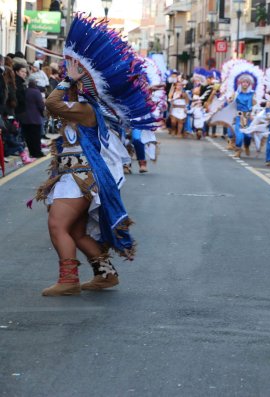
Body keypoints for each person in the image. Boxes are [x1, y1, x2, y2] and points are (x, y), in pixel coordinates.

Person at [35, 15, 156, 296]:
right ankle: (106, 274)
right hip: (76, 176)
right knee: (76, 233)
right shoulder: (82, 107)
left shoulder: (85, 109)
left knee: (57, 225)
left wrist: (67, 78)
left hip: (79, 178)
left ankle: (68, 280)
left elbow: (51, 102)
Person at [20, 79, 45, 158]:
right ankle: (37, 152)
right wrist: (42, 114)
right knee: (36, 136)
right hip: (35, 118)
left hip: (24, 118)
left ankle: (31, 152)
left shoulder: (25, 91)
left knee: (28, 137)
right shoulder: (36, 92)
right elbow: (40, 105)